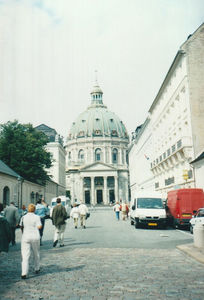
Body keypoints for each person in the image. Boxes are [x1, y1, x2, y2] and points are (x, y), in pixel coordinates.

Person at [20, 203, 42, 279]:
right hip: (35, 236)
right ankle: (37, 268)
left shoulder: (23, 217)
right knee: (36, 253)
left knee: (25, 255)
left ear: (28, 209)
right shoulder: (37, 217)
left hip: (26, 236)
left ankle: (24, 272)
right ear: (34, 209)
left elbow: (21, 226)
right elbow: (39, 226)